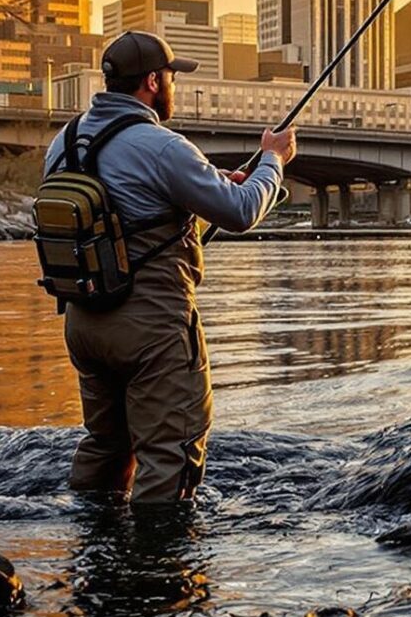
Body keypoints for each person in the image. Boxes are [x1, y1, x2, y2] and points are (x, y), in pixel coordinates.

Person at [43, 30, 296, 502]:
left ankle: (92, 554)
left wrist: (207, 183)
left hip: (84, 323)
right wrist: (272, 161)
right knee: (170, 456)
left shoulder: (64, 142)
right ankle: (154, 570)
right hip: (151, 330)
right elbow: (241, 211)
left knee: (107, 446)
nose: (174, 87)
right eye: (172, 78)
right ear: (155, 82)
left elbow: (124, 205)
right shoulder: (162, 145)